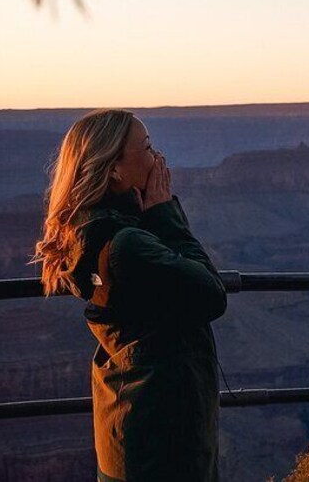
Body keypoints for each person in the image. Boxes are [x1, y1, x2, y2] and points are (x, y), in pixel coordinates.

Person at [34, 109, 227, 481]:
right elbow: (211, 295)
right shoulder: (127, 244)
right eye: (148, 146)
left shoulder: (89, 230)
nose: (158, 158)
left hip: (128, 426)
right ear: (114, 170)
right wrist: (164, 213)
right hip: (163, 437)